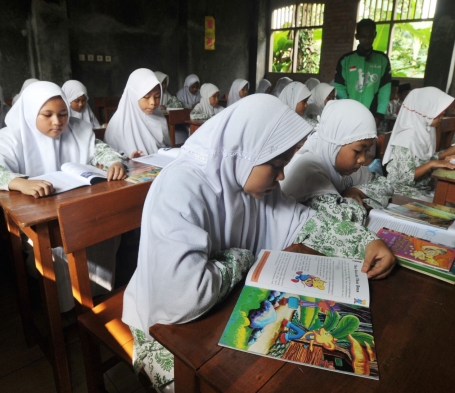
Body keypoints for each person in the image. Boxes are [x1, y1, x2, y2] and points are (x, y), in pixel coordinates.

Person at [122, 95, 395, 392]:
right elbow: (181, 298)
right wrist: (241, 258)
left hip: (224, 305)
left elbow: (301, 222)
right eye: (276, 165)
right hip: (164, 329)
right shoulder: (180, 189)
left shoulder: (254, 184)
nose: (281, 176)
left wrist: (363, 242)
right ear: (247, 152)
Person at [0, 81, 126, 311]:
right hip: (41, 219)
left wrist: (113, 160)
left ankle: (96, 298)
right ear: (31, 111)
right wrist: (20, 183)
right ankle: (66, 305)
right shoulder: (9, 137)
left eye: (63, 114)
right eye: (47, 115)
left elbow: (101, 148)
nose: (58, 122)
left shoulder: (79, 129)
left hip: (81, 209)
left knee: (106, 232)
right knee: (59, 248)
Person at [281, 99, 394, 226]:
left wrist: (357, 191)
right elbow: (346, 221)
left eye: (366, 150)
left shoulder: (345, 166)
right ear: (334, 144)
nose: (363, 159)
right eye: (357, 151)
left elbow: (386, 184)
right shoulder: (309, 170)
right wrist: (364, 200)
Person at [382, 87, 455, 200]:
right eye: (439, 114)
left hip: (422, 187)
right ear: (425, 111)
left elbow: (426, 158)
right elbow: (404, 178)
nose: (441, 118)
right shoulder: (405, 139)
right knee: (447, 201)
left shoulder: (425, 130)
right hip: (402, 191)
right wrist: (432, 164)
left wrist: (444, 159)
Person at [334, 18, 391, 123]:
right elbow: (339, 86)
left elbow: (385, 88)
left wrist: (379, 114)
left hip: (372, 114)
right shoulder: (346, 60)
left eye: (370, 35)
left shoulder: (382, 60)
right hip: (349, 113)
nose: (367, 39)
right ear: (357, 37)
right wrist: (348, 108)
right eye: (363, 36)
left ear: (375, 35)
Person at [104, 68, 170, 157]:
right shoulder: (118, 125)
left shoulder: (159, 118)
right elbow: (111, 159)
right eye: (146, 97)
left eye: (157, 96)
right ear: (133, 95)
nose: (153, 102)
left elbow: (167, 149)